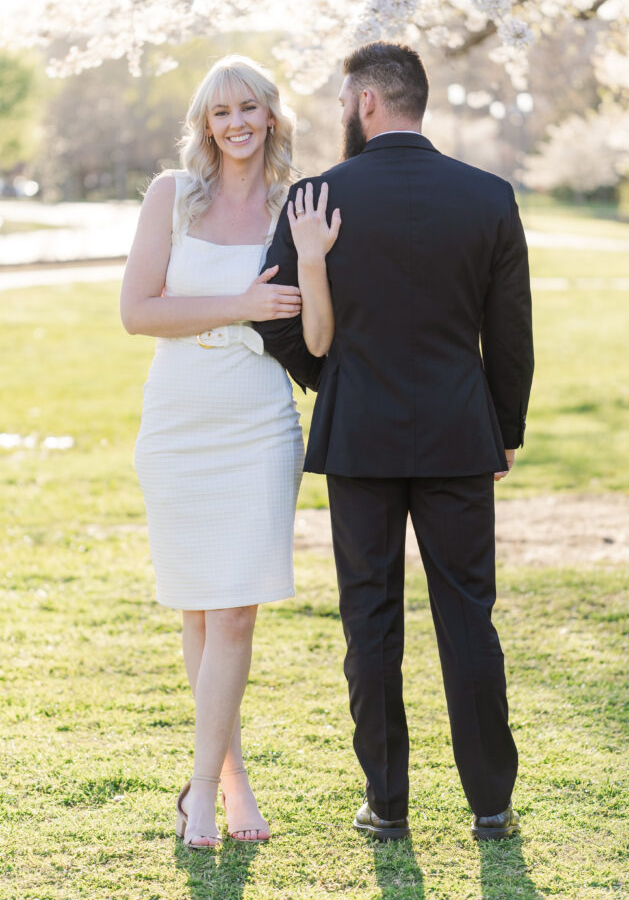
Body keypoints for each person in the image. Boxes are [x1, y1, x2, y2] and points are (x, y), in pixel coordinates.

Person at [255, 41, 534, 842]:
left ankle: (387, 803)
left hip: (359, 438)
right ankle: (491, 803)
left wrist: (327, 374)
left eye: (347, 99)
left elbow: (273, 315)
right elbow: (509, 336)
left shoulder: (316, 196)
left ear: (367, 101)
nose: (343, 111)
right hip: (457, 435)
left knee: (370, 619)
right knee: (467, 616)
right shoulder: (488, 196)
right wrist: (503, 429)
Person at [120, 55, 338, 848]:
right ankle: (228, 781)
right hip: (179, 421)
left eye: (250, 108)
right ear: (205, 124)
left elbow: (318, 343)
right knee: (201, 612)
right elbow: (139, 313)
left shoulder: (300, 203)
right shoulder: (172, 197)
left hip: (258, 419)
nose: (237, 122)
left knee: (235, 612)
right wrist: (243, 302)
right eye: (221, 112)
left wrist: (312, 262)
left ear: (271, 116)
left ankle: (201, 793)